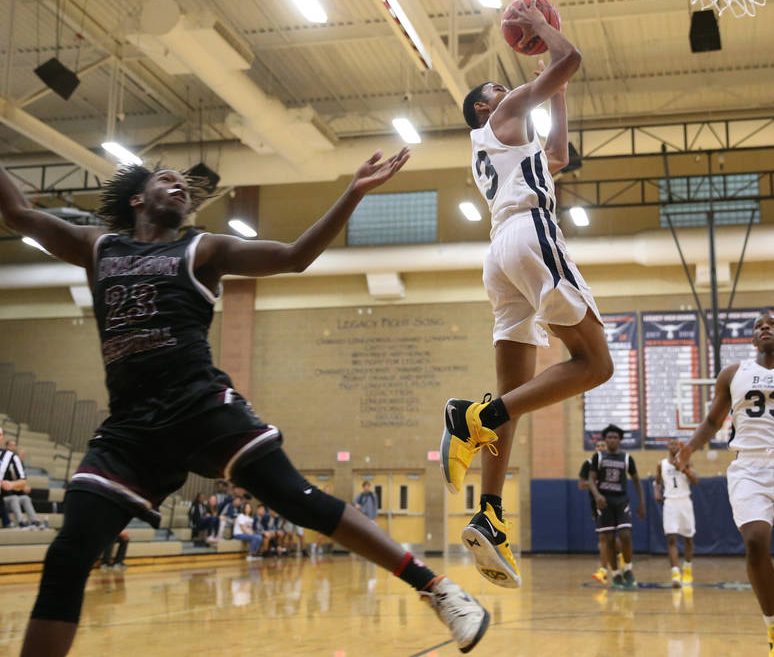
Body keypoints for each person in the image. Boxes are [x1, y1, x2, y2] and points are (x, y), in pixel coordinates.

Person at [0, 156, 490, 657]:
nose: (178, 187)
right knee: (68, 553)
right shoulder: (98, 247)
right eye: (164, 180)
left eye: (184, 185)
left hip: (201, 406)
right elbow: (18, 213)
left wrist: (353, 193)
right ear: (137, 199)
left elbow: (296, 256)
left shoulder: (203, 249)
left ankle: (437, 589)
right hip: (129, 427)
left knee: (297, 499)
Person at [443, 0, 613, 589]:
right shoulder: (502, 114)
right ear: (486, 106)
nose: (511, 86)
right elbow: (572, 59)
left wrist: (554, 89)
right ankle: (472, 417)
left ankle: (488, 513)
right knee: (595, 364)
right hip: (530, 236)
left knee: (516, 390)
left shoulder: (505, 145)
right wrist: (544, 31)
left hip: (500, 254)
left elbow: (560, 153)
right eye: (500, 86)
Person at [675, 312, 774, 657]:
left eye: (772, 324)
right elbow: (713, 420)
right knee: (755, 541)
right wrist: (689, 448)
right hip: (749, 466)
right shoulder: (734, 374)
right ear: (752, 339)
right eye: (758, 325)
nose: (764, 327)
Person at [587, 424, 645, 589]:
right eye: (609, 437)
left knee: (625, 535)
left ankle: (628, 569)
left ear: (619, 439)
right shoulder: (598, 457)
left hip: (621, 501)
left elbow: (636, 480)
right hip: (605, 502)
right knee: (610, 540)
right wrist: (597, 495)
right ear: (605, 440)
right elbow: (591, 479)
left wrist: (642, 503)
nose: (612, 439)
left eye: (615, 437)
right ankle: (615, 574)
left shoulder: (627, 458)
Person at [655, 440, 698, 588]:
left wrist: (682, 469)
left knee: (689, 539)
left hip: (685, 501)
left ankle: (687, 568)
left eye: (676, 444)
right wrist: (657, 492)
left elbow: (695, 480)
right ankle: (675, 573)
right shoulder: (661, 464)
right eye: (671, 444)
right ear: (667, 446)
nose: (673, 447)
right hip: (670, 503)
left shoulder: (688, 462)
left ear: (679, 447)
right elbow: (658, 481)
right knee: (671, 539)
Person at [579, 440, 620, 583]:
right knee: (603, 538)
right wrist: (593, 483)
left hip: (614, 503)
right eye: (598, 446)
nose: (600, 448)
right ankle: (603, 571)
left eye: (603, 446)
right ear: (595, 449)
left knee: (612, 538)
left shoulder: (613, 463)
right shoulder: (589, 463)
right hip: (598, 504)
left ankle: (621, 556)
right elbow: (581, 484)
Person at [1, 435, 44, 529]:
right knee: (14, 498)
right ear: (6, 447)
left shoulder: (15, 461)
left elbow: (19, 479)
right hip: (4, 496)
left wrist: (22, 486)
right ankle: (21, 521)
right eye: (11, 445)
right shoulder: (3, 462)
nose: (13, 447)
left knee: (25, 498)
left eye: (14, 445)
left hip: (11, 494)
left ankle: (34, 520)